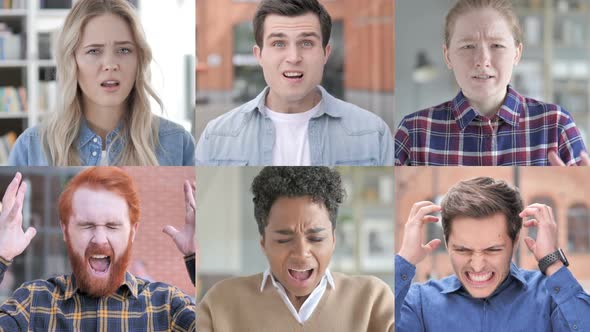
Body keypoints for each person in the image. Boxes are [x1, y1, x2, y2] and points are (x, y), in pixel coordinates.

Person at [195, 0, 393, 166]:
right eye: (278, 43)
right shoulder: (217, 136)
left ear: (325, 53)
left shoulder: (374, 134)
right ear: (259, 55)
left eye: (306, 43)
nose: (293, 57)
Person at [197, 167, 393, 331]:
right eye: (283, 240)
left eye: (316, 238)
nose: (301, 253)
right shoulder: (221, 302)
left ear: (333, 240)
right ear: (263, 243)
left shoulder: (372, 300)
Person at [0, 167, 197, 331]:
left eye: (112, 226)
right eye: (86, 225)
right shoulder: (33, 303)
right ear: (66, 230)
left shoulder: (167, 305)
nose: (100, 239)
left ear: (132, 232)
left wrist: (196, 259)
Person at [394, 0, 588, 166]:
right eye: (468, 46)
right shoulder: (414, 131)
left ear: (517, 53)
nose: (482, 60)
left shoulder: (557, 124)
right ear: (448, 56)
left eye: (497, 45)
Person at [8, 0, 195, 166]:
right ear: (71, 61)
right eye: (94, 51)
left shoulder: (178, 143)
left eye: (123, 50)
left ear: (139, 59)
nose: (111, 65)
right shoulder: (30, 148)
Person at [395, 177, 590, 331]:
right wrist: (405, 259)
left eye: (493, 250)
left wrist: (552, 262)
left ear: (515, 242)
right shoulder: (418, 303)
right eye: (463, 250)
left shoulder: (551, 298)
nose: (478, 265)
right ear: (447, 243)